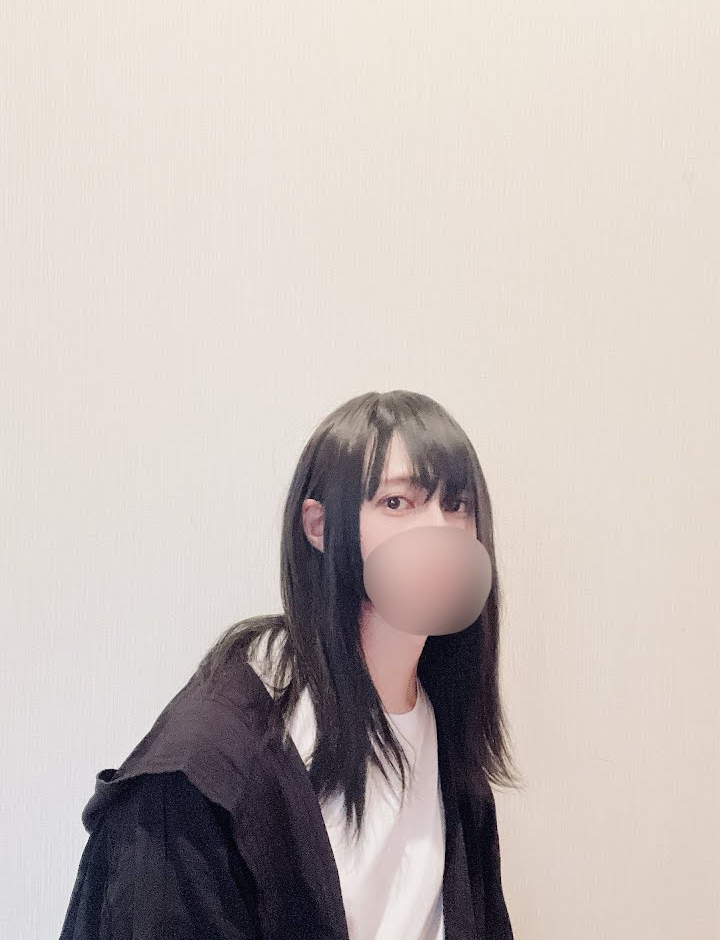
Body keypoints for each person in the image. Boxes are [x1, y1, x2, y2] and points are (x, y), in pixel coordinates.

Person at [58, 389, 522, 940]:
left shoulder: (447, 720)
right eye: (397, 503)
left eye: (458, 505)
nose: (439, 532)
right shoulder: (208, 762)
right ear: (319, 526)